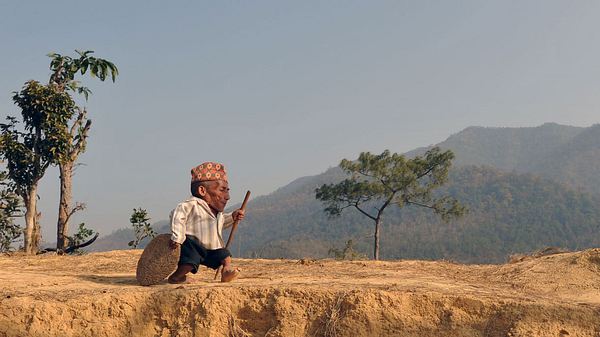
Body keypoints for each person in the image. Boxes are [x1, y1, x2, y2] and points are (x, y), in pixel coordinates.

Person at [167, 162, 245, 284]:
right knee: (190, 262)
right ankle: (177, 277)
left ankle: (226, 271)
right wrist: (178, 237)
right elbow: (178, 216)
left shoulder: (216, 213)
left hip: (210, 248)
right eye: (222, 190)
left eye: (227, 191)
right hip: (192, 246)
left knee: (224, 255)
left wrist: (233, 217)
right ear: (202, 190)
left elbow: (221, 222)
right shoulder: (191, 205)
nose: (227, 196)